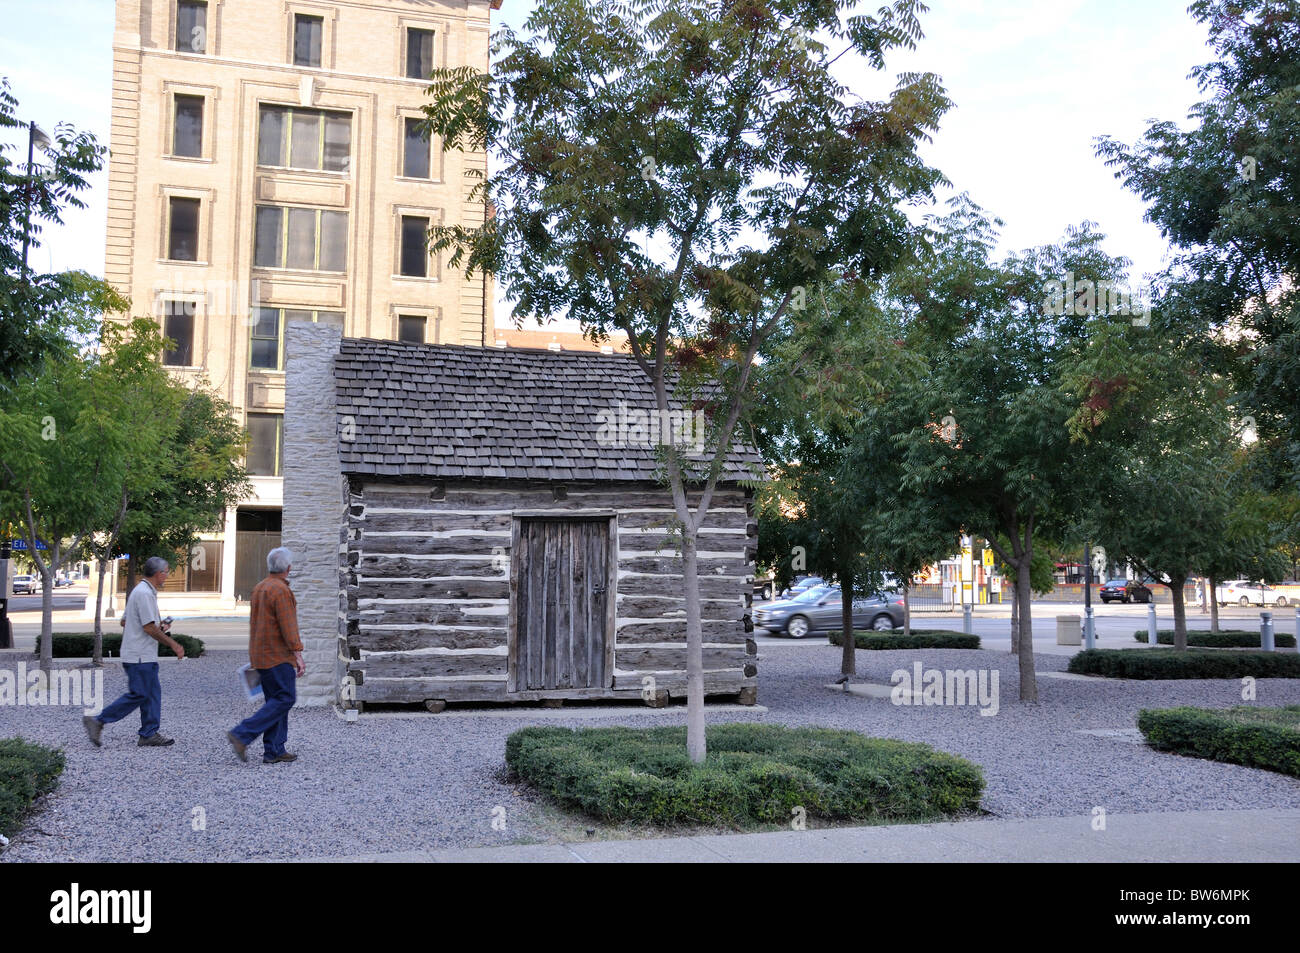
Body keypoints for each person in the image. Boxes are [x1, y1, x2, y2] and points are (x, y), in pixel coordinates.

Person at [83, 556, 185, 747]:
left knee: (152, 693)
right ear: (158, 573)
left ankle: (149, 733)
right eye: (166, 572)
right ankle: (99, 720)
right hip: (139, 655)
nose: (167, 576)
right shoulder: (145, 594)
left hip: (140, 653)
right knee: (139, 693)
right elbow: (148, 628)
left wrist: (157, 627)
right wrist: (173, 644)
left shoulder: (141, 591)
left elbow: (125, 621)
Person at [227, 547, 305, 765]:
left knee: (275, 700)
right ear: (288, 568)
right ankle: (242, 734)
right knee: (285, 698)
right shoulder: (281, 590)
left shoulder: (259, 587)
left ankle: (274, 750)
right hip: (278, 656)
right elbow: (289, 627)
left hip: (261, 655)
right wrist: (298, 654)